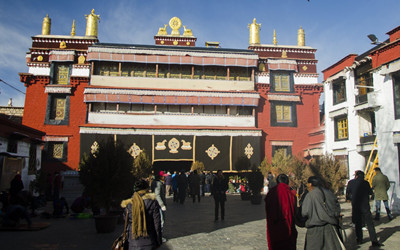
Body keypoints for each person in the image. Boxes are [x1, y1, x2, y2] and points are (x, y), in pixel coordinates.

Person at [301, 176, 344, 250]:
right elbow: (337, 209)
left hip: (315, 231)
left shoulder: (310, 195)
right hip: (331, 228)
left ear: (310, 184)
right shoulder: (329, 193)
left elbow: (304, 212)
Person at [121, 179, 162, 249]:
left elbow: (126, 220)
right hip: (149, 241)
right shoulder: (152, 202)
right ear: (146, 189)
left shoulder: (129, 204)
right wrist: (158, 240)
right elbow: (157, 224)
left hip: (133, 241)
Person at [264, 174, 297, 250]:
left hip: (274, 227)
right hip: (288, 227)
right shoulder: (291, 193)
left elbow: (268, 208)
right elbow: (294, 211)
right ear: (287, 182)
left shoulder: (271, 193)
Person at [351, 171, 383, 247]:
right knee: (370, 224)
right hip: (365, 206)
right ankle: (374, 241)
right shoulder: (366, 183)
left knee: (358, 223)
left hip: (356, 206)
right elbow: (370, 192)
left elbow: (348, 193)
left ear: (356, 176)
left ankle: (359, 239)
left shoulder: (351, 182)